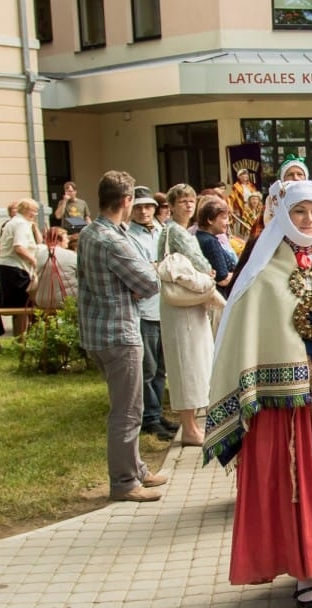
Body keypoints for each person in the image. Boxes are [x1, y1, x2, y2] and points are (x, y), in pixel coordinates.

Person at [204, 180, 312, 608]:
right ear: (283, 215)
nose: (310, 221)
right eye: (300, 212)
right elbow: (243, 328)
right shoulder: (262, 269)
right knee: (296, 485)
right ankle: (303, 573)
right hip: (284, 406)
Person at [75, 171, 167, 502]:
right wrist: (155, 268)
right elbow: (149, 284)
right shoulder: (112, 240)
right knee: (128, 411)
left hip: (98, 331)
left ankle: (137, 467)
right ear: (127, 201)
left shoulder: (90, 232)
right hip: (119, 333)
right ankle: (125, 482)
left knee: (128, 405)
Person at [158, 184, 216, 447]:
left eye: (191, 200)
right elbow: (198, 261)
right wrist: (208, 272)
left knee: (195, 360)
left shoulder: (183, 231)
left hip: (189, 301)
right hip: (181, 304)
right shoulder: (173, 231)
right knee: (186, 363)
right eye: (182, 201)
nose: (188, 205)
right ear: (171, 205)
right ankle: (189, 428)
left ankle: (192, 424)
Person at [126, 187, 176, 441]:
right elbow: (140, 271)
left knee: (160, 369)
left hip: (164, 306)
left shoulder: (161, 231)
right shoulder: (127, 236)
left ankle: (157, 414)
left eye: (147, 206)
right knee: (147, 367)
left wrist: (158, 267)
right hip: (144, 310)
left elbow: (169, 263)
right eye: (138, 207)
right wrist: (157, 268)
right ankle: (149, 418)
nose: (144, 211)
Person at [0, 198, 40, 338]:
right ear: (26, 210)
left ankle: (21, 339)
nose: (35, 214)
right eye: (34, 211)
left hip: (9, 267)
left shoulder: (16, 222)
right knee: (25, 305)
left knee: (22, 307)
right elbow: (19, 247)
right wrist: (33, 260)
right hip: (14, 269)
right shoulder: (20, 224)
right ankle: (22, 340)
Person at [195, 197, 236, 296]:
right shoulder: (210, 242)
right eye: (224, 218)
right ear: (210, 219)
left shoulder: (199, 236)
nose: (228, 223)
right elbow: (223, 279)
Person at [33, 227, 80, 306]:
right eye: (66, 238)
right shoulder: (72, 255)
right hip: (66, 299)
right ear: (58, 240)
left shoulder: (38, 255)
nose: (68, 240)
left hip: (41, 301)